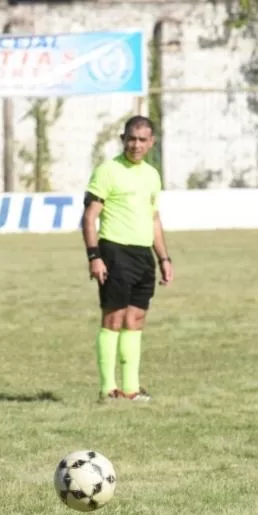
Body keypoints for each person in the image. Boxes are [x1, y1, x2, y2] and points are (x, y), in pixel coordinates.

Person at [82, 115, 173, 402]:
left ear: (151, 143)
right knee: (114, 318)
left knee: (135, 319)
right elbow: (89, 218)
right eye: (131, 139)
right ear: (123, 139)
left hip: (142, 255)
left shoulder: (152, 175)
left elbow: (154, 219)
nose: (136, 145)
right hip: (114, 251)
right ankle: (108, 389)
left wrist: (164, 258)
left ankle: (131, 390)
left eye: (142, 140)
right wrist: (94, 257)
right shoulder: (107, 171)